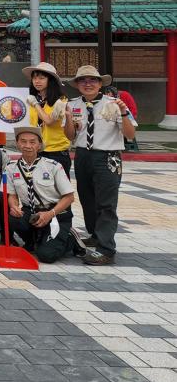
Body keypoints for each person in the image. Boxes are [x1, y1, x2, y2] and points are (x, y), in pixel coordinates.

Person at [65, 65, 136, 266]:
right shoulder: (72, 104)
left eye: (92, 80)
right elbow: (70, 136)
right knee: (87, 198)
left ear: (100, 84)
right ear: (77, 84)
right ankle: (96, 235)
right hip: (82, 154)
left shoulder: (114, 104)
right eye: (83, 80)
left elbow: (130, 135)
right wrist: (68, 119)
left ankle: (106, 249)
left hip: (107, 156)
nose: (88, 84)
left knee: (106, 203)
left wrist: (123, 113)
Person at [5, 125, 78, 263]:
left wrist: (50, 214)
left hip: (55, 214)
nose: (27, 146)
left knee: (46, 256)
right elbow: (12, 195)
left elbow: (69, 197)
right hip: (31, 212)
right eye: (23, 141)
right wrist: (13, 206)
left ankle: (70, 239)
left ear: (39, 145)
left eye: (32, 142)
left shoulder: (53, 166)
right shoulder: (11, 168)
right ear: (17, 144)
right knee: (13, 218)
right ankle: (33, 241)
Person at [24, 61, 73, 176]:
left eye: (42, 78)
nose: (37, 81)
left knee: (59, 186)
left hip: (56, 152)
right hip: (36, 151)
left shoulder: (60, 100)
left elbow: (49, 121)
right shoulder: (32, 99)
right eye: (34, 78)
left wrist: (36, 104)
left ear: (50, 80)